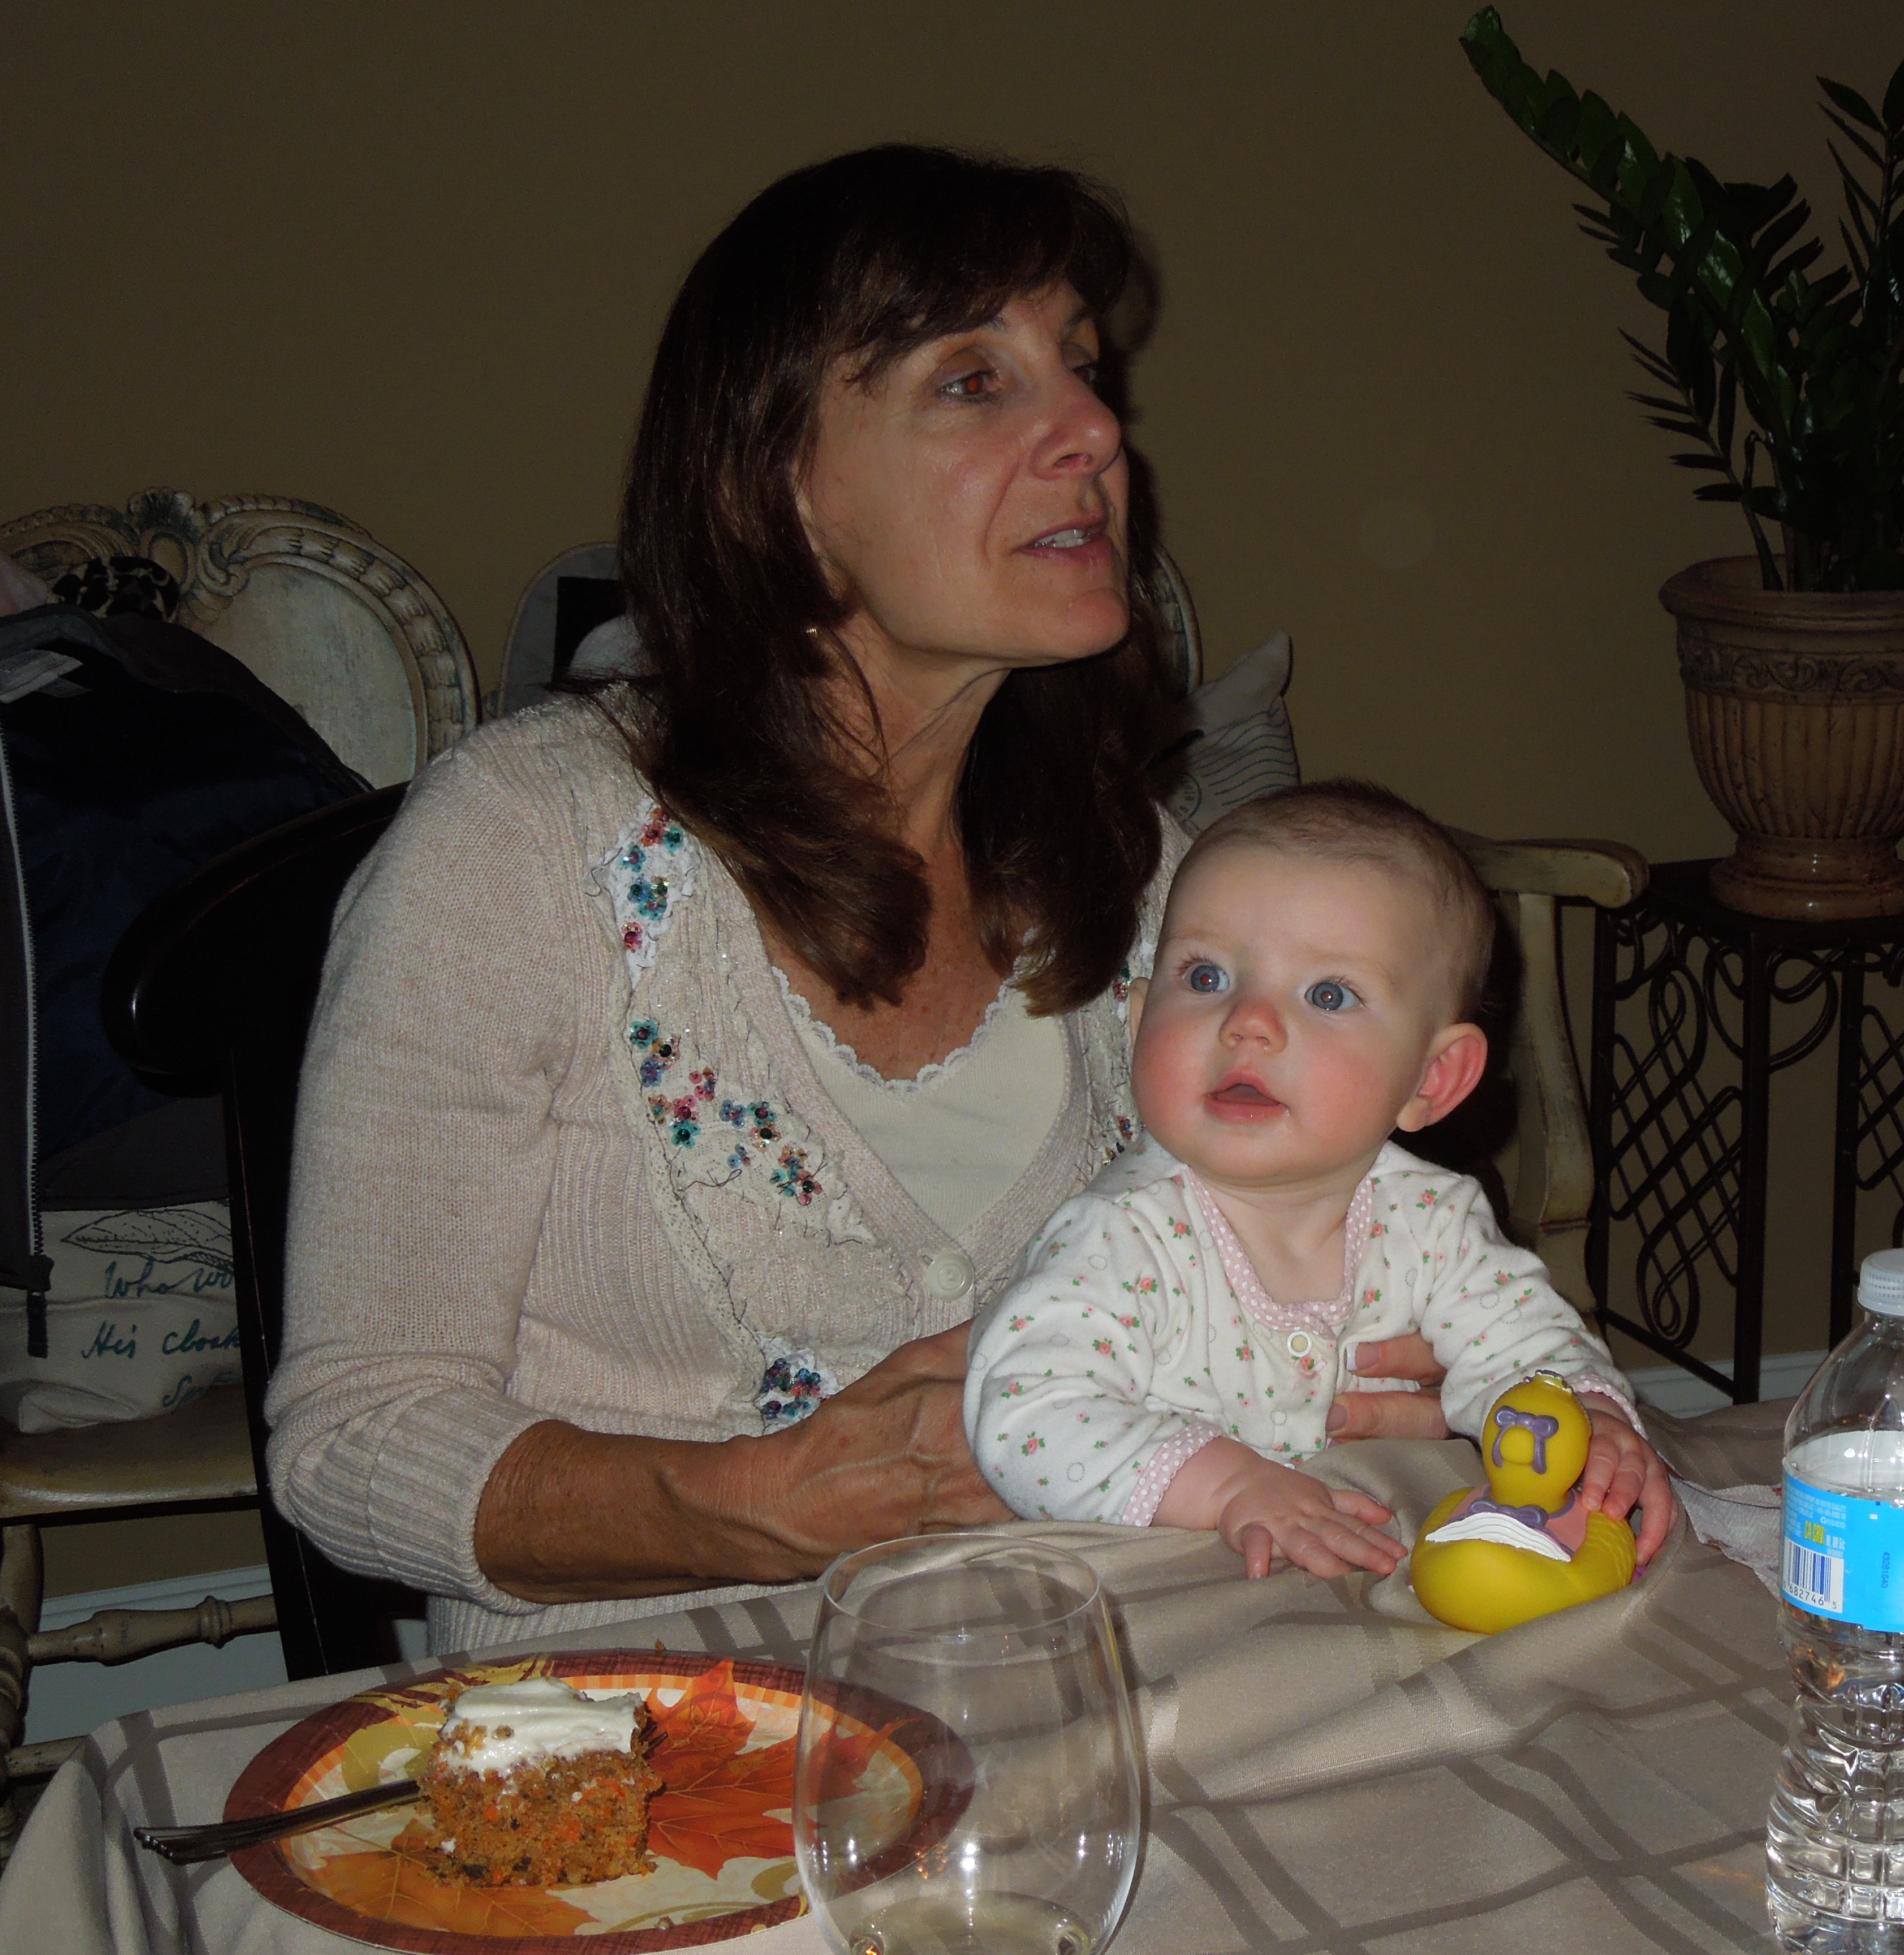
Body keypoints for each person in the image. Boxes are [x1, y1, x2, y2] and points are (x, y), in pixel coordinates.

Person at [263, 148, 1446, 1655]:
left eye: (1082, 370)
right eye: (973, 381)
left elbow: (1232, 1301)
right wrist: (761, 1503)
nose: (1095, 430)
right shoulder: (517, 852)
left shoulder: (1143, 871)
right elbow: (352, 1444)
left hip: (1102, 1691)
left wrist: (1326, 1364)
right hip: (655, 1747)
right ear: (778, 488)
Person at [966, 782, 1678, 1578]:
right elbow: (1027, 1417)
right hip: (1165, 1586)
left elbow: (1529, 1350)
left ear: (1432, 1078)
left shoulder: (1435, 1221)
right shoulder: (1119, 1237)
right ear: (1138, 1021)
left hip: (1368, 1567)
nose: (1248, 1022)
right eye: (1205, 978)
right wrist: (1228, 1486)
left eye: (1328, 994)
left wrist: (1588, 1419)